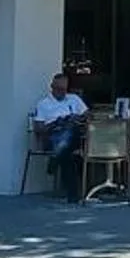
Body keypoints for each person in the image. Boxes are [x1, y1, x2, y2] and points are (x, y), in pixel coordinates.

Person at [31, 72, 90, 200]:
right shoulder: (43, 104)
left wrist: (77, 118)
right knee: (68, 155)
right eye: (58, 89)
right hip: (53, 137)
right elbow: (38, 128)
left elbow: (87, 115)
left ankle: (56, 157)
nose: (61, 92)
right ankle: (73, 194)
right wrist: (56, 123)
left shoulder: (73, 99)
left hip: (75, 136)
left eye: (64, 89)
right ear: (52, 87)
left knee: (72, 131)